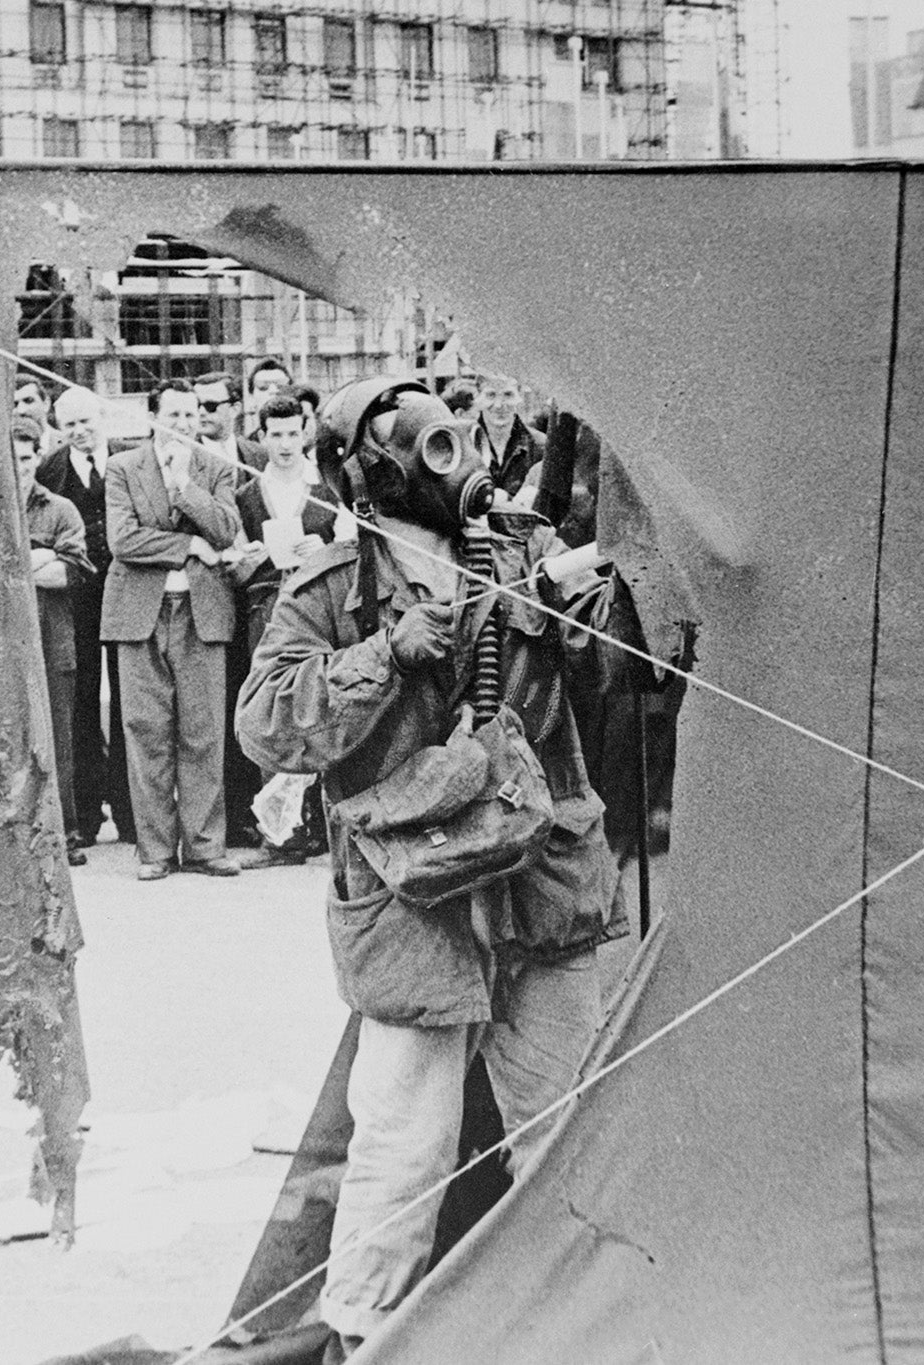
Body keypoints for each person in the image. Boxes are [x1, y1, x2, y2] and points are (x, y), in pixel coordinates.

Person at [237, 377, 652, 1354]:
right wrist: (383, 653)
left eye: (445, 433)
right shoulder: (333, 591)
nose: (440, 453)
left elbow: (617, 681)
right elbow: (267, 725)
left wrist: (573, 611)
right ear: (366, 473)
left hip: (538, 885)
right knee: (402, 1144)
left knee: (564, 1130)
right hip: (417, 902)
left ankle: (579, 1331)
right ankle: (360, 1335)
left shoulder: (520, 555)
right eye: (410, 440)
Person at [103, 379, 245, 880]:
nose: (186, 424)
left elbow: (226, 530)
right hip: (139, 613)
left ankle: (206, 846)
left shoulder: (216, 469)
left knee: (203, 733)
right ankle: (155, 851)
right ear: (154, 418)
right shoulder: (122, 467)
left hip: (202, 612)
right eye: (176, 415)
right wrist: (189, 547)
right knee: (146, 731)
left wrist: (186, 489)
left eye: (194, 414)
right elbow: (122, 540)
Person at [229, 393, 343, 869]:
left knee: (320, 706)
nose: (284, 444)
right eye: (274, 434)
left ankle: (321, 828)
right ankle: (279, 834)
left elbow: (350, 547)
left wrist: (324, 545)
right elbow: (234, 568)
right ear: (262, 437)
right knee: (271, 710)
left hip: (318, 612)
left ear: (305, 433)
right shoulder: (247, 495)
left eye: (292, 432)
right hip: (266, 611)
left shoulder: (328, 491)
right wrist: (250, 560)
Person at [37, 385, 133, 848]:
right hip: (73, 601)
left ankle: (131, 814)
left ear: (104, 417)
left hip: (125, 594)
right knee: (79, 701)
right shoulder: (49, 470)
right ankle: (86, 813)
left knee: (128, 699)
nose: (78, 431)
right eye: (68, 423)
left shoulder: (130, 461)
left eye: (86, 421)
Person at [15, 418, 94, 867]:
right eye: (12, 457)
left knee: (57, 737)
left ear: (38, 457)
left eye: (27, 458)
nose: (20, 466)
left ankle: (64, 834)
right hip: (4, 642)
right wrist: (40, 557)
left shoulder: (61, 509)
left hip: (52, 637)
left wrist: (16, 563)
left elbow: (71, 573)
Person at [473, 373, 541, 494]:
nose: (499, 405)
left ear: (519, 396)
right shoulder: (464, 444)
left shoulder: (541, 446)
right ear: (478, 397)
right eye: (491, 395)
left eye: (508, 394)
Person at [194, 370, 261, 469]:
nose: (201, 412)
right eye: (197, 405)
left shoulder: (259, 454)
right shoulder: (187, 455)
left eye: (210, 405)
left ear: (234, 409)